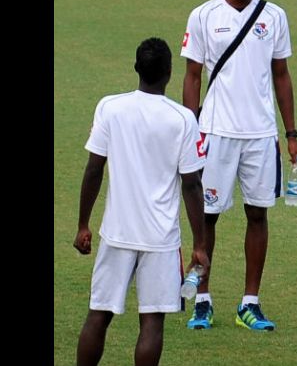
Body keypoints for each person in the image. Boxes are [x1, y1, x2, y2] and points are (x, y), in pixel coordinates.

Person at [180, 0, 297, 331]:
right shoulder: (203, 16)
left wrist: (291, 134)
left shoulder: (274, 16)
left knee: (258, 213)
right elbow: (192, 75)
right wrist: (190, 130)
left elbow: (281, 75)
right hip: (215, 132)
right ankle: (202, 299)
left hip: (260, 135)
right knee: (207, 218)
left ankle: (249, 303)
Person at [74, 37, 210, 366]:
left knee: (98, 315)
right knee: (152, 321)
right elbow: (191, 185)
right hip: (160, 239)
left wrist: (82, 225)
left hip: (117, 231)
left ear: (136, 69)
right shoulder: (182, 119)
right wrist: (201, 243)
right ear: (168, 72)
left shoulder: (111, 107)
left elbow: (94, 170)